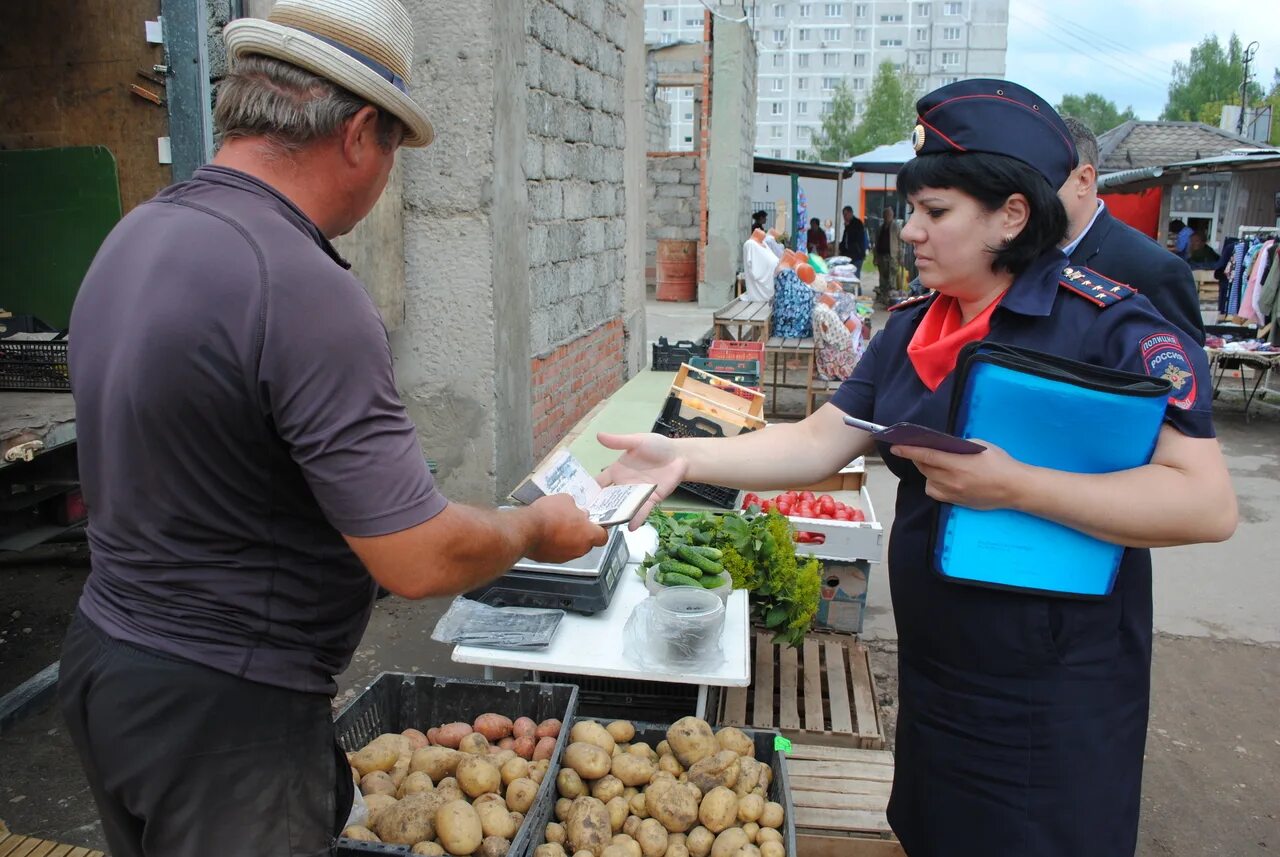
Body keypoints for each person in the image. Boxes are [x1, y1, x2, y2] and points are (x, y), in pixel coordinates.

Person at [597, 78, 1236, 857]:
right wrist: (689, 452)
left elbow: (1205, 502)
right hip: (941, 675)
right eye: (913, 211)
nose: (912, 232)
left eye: (936, 213)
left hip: (1056, 692)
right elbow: (820, 439)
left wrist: (1019, 485)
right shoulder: (914, 329)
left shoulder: (1103, 327)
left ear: (1011, 214)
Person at [58, 2, 607, 855]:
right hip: (225, 715)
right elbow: (417, 555)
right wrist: (534, 527)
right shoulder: (301, 284)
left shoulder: (135, 235)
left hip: (106, 665)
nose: (388, 174)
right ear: (358, 133)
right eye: (395, 150)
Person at [1059, 118, 1205, 345]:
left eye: (1043, 179)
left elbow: (1181, 375)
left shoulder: (1154, 270)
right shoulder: (1019, 257)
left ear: (1083, 180)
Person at [874, 205, 901, 302]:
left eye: (889, 214)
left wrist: (899, 257)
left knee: (891, 278)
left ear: (892, 215)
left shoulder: (895, 226)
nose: (887, 216)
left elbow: (900, 242)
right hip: (881, 256)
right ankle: (883, 296)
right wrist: (875, 257)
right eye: (885, 215)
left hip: (892, 256)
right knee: (882, 278)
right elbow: (876, 242)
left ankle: (890, 299)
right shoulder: (881, 228)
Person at [838, 205, 867, 276]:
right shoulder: (848, 225)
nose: (844, 217)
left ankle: (858, 287)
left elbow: (853, 238)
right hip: (848, 255)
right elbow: (845, 240)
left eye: (846, 214)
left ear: (851, 213)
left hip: (856, 254)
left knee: (855, 275)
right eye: (843, 215)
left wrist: (847, 227)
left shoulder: (857, 223)